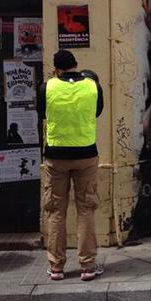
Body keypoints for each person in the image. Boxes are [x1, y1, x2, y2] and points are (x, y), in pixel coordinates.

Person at [38, 50, 104, 281]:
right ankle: (88, 266)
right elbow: (97, 111)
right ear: (76, 65)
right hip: (86, 153)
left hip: (56, 156)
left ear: (56, 69)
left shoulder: (47, 87)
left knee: (56, 211)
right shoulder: (92, 85)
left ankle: (56, 267)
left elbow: (41, 112)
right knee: (86, 209)